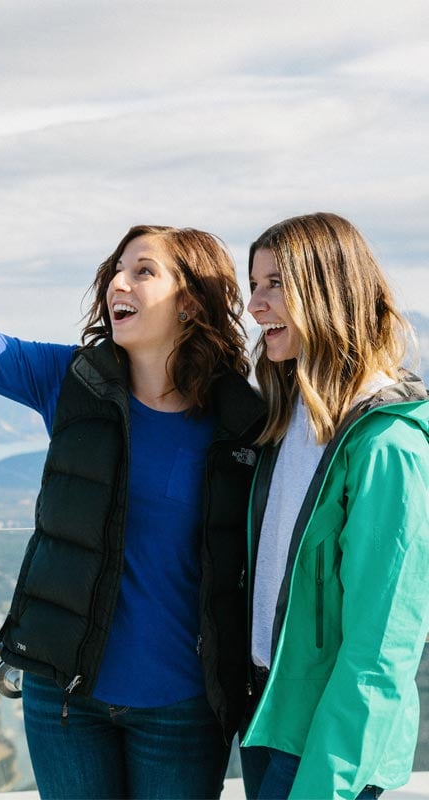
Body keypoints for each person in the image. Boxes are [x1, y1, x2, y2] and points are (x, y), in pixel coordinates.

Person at [0, 146, 265, 800]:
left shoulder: (242, 420)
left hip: (184, 710)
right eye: (116, 270)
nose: (118, 284)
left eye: (144, 271)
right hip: (66, 702)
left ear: (190, 304)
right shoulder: (72, 383)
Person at [239, 211, 429, 800]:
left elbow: (384, 646)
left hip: (328, 741)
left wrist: (329, 782)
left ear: (328, 292)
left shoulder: (386, 446)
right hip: (270, 714)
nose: (254, 305)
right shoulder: (286, 413)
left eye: (275, 284)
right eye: (254, 285)